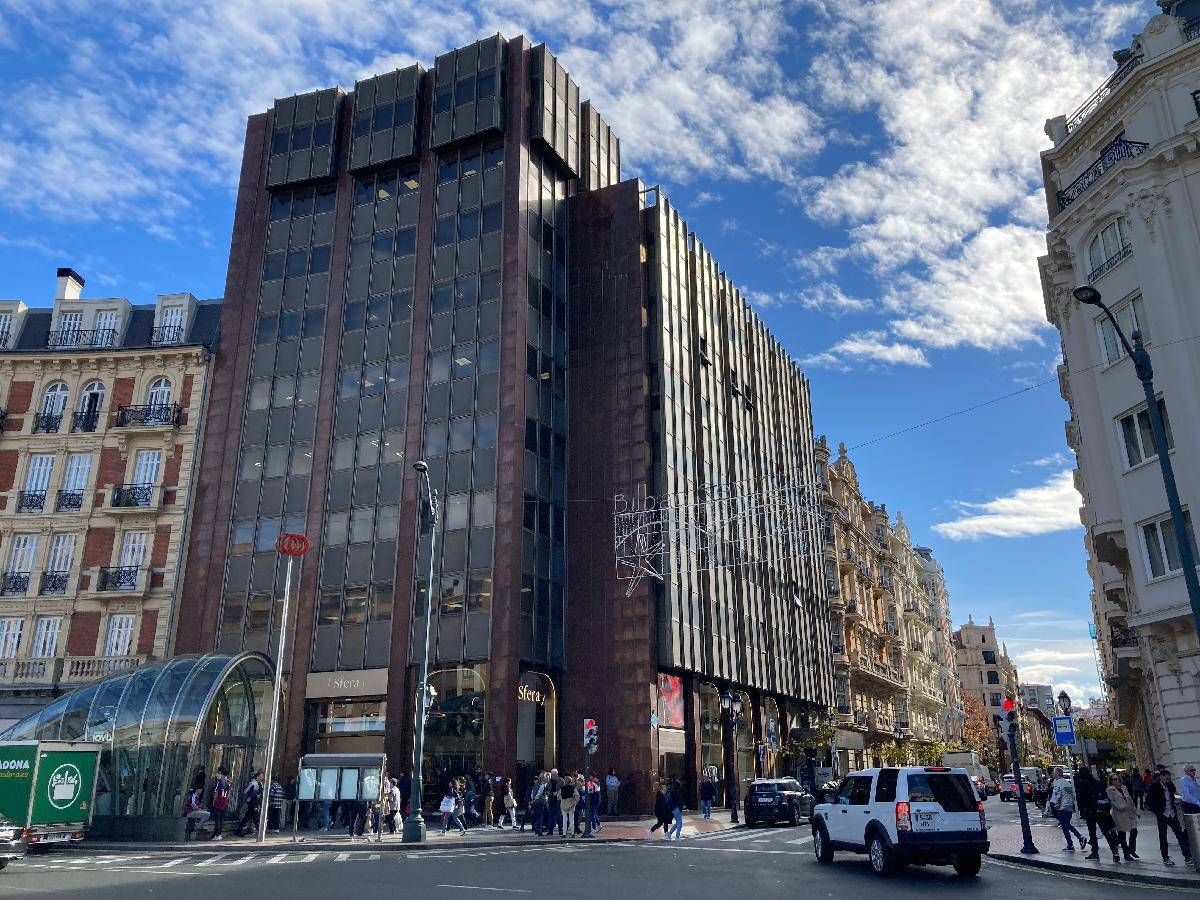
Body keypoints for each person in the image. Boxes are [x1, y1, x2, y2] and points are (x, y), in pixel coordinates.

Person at [1146, 768, 1192, 866]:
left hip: (1172, 813)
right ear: (1161, 777)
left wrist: (1176, 799)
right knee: (1163, 836)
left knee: (1180, 834)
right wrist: (1158, 812)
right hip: (1162, 814)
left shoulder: (1170, 784)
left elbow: (1174, 794)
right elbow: (1149, 802)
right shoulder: (1154, 786)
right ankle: (1165, 857)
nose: (1168, 780)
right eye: (1166, 779)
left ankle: (1187, 856)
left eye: (1169, 779)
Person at [1075, 767, 1114, 861]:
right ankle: (1115, 851)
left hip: (1089, 811)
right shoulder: (1097, 782)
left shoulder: (1082, 783)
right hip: (1100, 810)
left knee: (1092, 833)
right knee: (1105, 831)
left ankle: (1095, 852)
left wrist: (1082, 810)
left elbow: (1080, 798)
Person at [1049, 767, 1087, 852]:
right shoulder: (1067, 783)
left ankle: (1077, 839)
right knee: (1066, 825)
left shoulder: (1058, 783)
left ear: (1058, 773)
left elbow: (1058, 795)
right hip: (1069, 807)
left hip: (1062, 807)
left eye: (1054, 772)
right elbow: (1072, 795)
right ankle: (1073, 842)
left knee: (1065, 826)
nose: (1053, 774)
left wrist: (1057, 806)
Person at [1107, 773, 1139, 861]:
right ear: (1111, 781)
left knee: (1134, 831)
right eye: (1114, 779)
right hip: (1119, 814)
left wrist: (1136, 811)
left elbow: (1130, 800)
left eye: (1117, 779)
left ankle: (1131, 849)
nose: (1116, 781)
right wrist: (1118, 806)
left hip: (1129, 813)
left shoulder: (1124, 788)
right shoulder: (1110, 790)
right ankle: (1126, 854)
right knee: (1122, 834)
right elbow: (1111, 801)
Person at [236, 771, 265, 837]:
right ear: (257, 777)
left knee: (249, 817)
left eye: (262, 777)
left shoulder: (260, 784)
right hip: (252, 803)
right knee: (254, 818)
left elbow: (261, 792)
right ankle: (259, 831)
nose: (262, 778)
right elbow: (246, 792)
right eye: (261, 776)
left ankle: (241, 830)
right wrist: (254, 796)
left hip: (257, 803)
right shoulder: (253, 783)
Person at [209, 767, 232, 840]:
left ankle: (216, 834)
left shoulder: (219, 782)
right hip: (224, 802)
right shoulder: (229, 782)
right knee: (221, 820)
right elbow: (229, 794)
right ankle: (219, 834)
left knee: (217, 819)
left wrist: (213, 802)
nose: (217, 774)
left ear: (221, 773)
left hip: (218, 802)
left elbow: (216, 793)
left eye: (219, 773)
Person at [559, 775, 579, 839]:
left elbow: (558, 796)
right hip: (571, 805)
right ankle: (572, 833)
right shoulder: (573, 788)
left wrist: (562, 799)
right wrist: (574, 802)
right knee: (571, 819)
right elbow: (577, 796)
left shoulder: (562, 788)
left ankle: (564, 833)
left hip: (564, 805)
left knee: (564, 820)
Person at [547, 769, 563, 836]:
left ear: (557, 774)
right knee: (551, 816)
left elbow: (563, 789)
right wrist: (549, 793)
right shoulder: (549, 781)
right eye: (552, 774)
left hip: (558, 801)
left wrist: (557, 793)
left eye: (554, 774)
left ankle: (560, 829)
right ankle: (550, 830)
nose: (552, 776)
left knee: (558, 816)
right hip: (551, 800)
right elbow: (547, 789)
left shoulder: (561, 780)